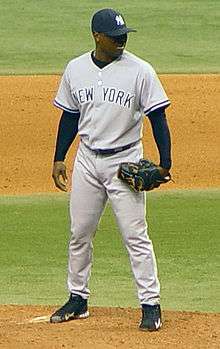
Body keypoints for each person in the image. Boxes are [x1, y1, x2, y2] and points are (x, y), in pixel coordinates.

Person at [50, 8, 172, 331]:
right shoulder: (76, 69)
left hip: (125, 161)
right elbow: (70, 117)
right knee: (80, 232)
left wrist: (165, 164)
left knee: (136, 236)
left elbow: (158, 117)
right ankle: (78, 298)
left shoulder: (140, 71)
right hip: (87, 160)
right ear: (96, 36)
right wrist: (59, 156)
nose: (121, 41)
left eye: (124, 37)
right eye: (115, 37)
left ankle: (151, 304)